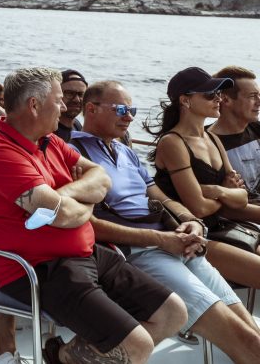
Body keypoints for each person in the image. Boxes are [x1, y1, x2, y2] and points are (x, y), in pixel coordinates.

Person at [0, 67, 185, 364]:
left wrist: (66, 195)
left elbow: (101, 177)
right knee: (137, 347)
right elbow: (59, 215)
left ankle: (64, 356)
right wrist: (78, 202)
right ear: (34, 105)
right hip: (37, 269)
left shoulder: (50, 141)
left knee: (173, 313)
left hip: (85, 253)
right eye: (59, 99)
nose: (64, 107)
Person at [74, 80, 260, 363]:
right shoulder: (73, 154)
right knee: (243, 340)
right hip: (138, 252)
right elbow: (87, 224)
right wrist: (162, 240)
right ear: (91, 109)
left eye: (133, 109)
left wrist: (191, 221)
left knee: (250, 328)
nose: (130, 117)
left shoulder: (125, 151)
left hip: (176, 242)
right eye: (122, 109)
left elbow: (160, 197)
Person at [149, 66, 260, 286]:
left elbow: (242, 198)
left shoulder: (212, 139)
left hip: (221, 225)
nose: (218, 98)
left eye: (219, 93)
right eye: (210, 94)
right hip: (193, 234)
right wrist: (227, 194)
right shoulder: (173, 142)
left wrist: (217, 191)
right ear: (185, 100)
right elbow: (197, 208)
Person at [209, 66, 260, 198]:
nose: (259, 102)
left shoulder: (256, 128)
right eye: (253, 96)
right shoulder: (206, 142)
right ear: (225, 100)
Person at [55, 68, 87, 142]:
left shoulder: (76, 125)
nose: (77, 99)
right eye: (69, 93)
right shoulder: (47, 130)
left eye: (81, 94)